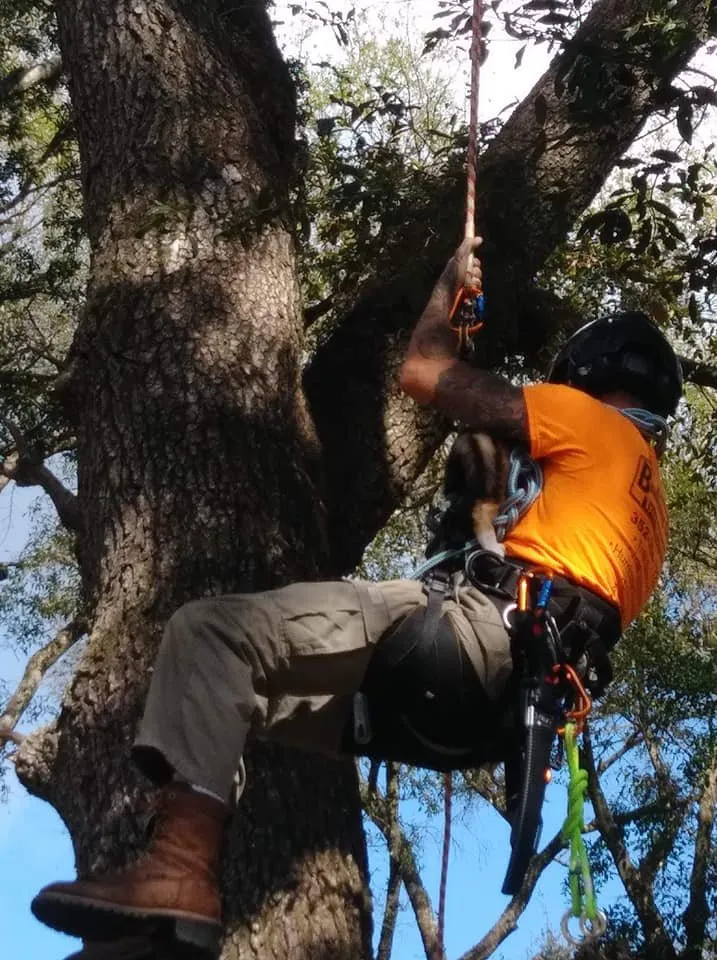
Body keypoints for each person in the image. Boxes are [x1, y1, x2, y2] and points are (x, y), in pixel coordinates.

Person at [31, 239, 683, 958]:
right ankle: (158, 936)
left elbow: (423, 372)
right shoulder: (645, 506)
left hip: (472, 638)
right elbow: (545, 556)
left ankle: (179, 873)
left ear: (584, 375)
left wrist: (445, 292)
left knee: (212, 636)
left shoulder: (584, 420)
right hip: (490, 716)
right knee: (222, 702)